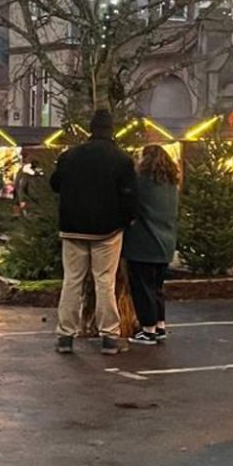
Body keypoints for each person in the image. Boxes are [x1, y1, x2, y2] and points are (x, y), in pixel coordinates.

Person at [50, 108, 136, 355]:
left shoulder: (69, 156)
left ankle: (65, 336)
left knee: (72, 281)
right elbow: (129, 197)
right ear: (112, 130)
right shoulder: (121, 159)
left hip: (72, 228)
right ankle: (109, 336)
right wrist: (127, 220)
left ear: (91, 129)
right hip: (107, 230)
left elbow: (55, 184)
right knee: (105, 282)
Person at [124, 145, 180, 347]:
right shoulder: (171, 184)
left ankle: (147, 330)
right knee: (157, 287)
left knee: (143, 288)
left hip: (144, 244)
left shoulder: (140, 182)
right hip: (166, 243)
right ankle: (160, 325)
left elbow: (129, 205)